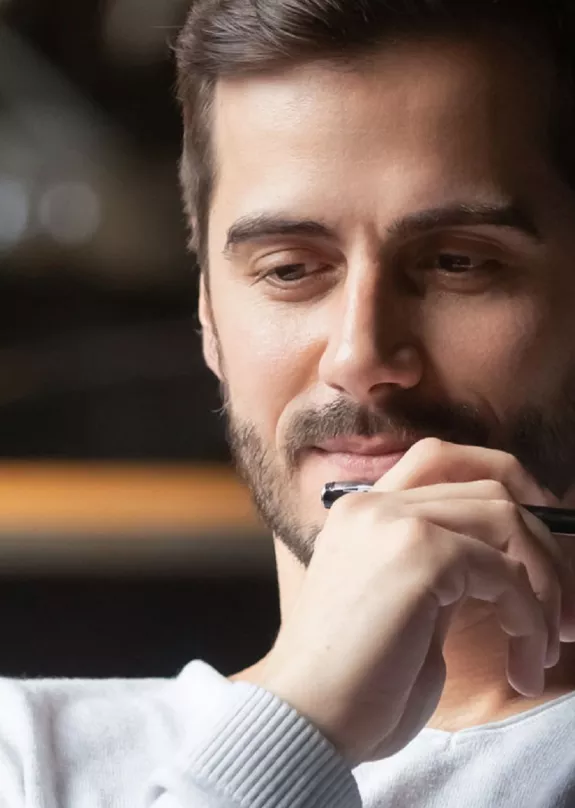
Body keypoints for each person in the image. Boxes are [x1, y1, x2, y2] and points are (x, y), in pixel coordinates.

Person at [4, 0, 575, 804]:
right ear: (208, 318)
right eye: (288, 269)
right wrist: (298, 724)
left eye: (456, 263)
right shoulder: (22, 755)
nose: (361, 355)